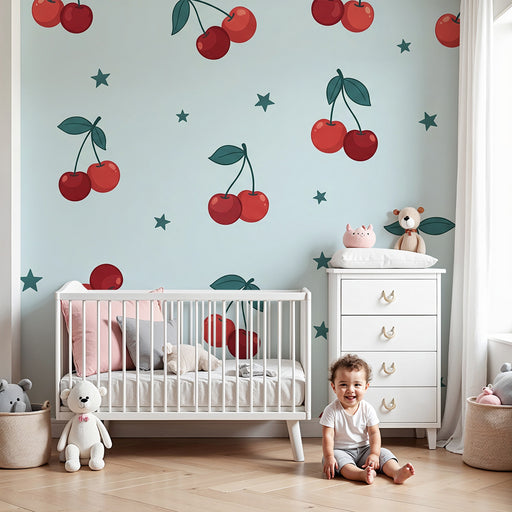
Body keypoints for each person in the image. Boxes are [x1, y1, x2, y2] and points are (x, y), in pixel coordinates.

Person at [320, 354, 415, 484]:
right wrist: (329, 456)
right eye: (343, 384)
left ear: (365, 387)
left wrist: (374, 454)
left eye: (357, 385)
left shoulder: (367, 409)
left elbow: (374, 433)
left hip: (364, 449)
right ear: (333, 387)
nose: (350, 390)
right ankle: (361, 474)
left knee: (384, 453)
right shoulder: (331, 410)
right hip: (341, 451)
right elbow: (328, 436)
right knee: (337, 460)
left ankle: (396, 472)